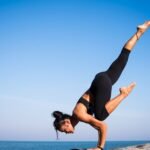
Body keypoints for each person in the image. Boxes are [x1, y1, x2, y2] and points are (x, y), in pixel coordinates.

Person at [52, 21, 150, 150]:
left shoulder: (78, 114)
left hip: (101, 84)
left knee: (100, 116)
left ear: (66, 122)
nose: (67, 132)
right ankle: (140, 31)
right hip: (101, 79)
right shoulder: (79, 116)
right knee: (123, 56)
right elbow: (98, 127)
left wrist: (99, 147)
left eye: (64, 130)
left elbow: (103, 126)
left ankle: (123, 94)